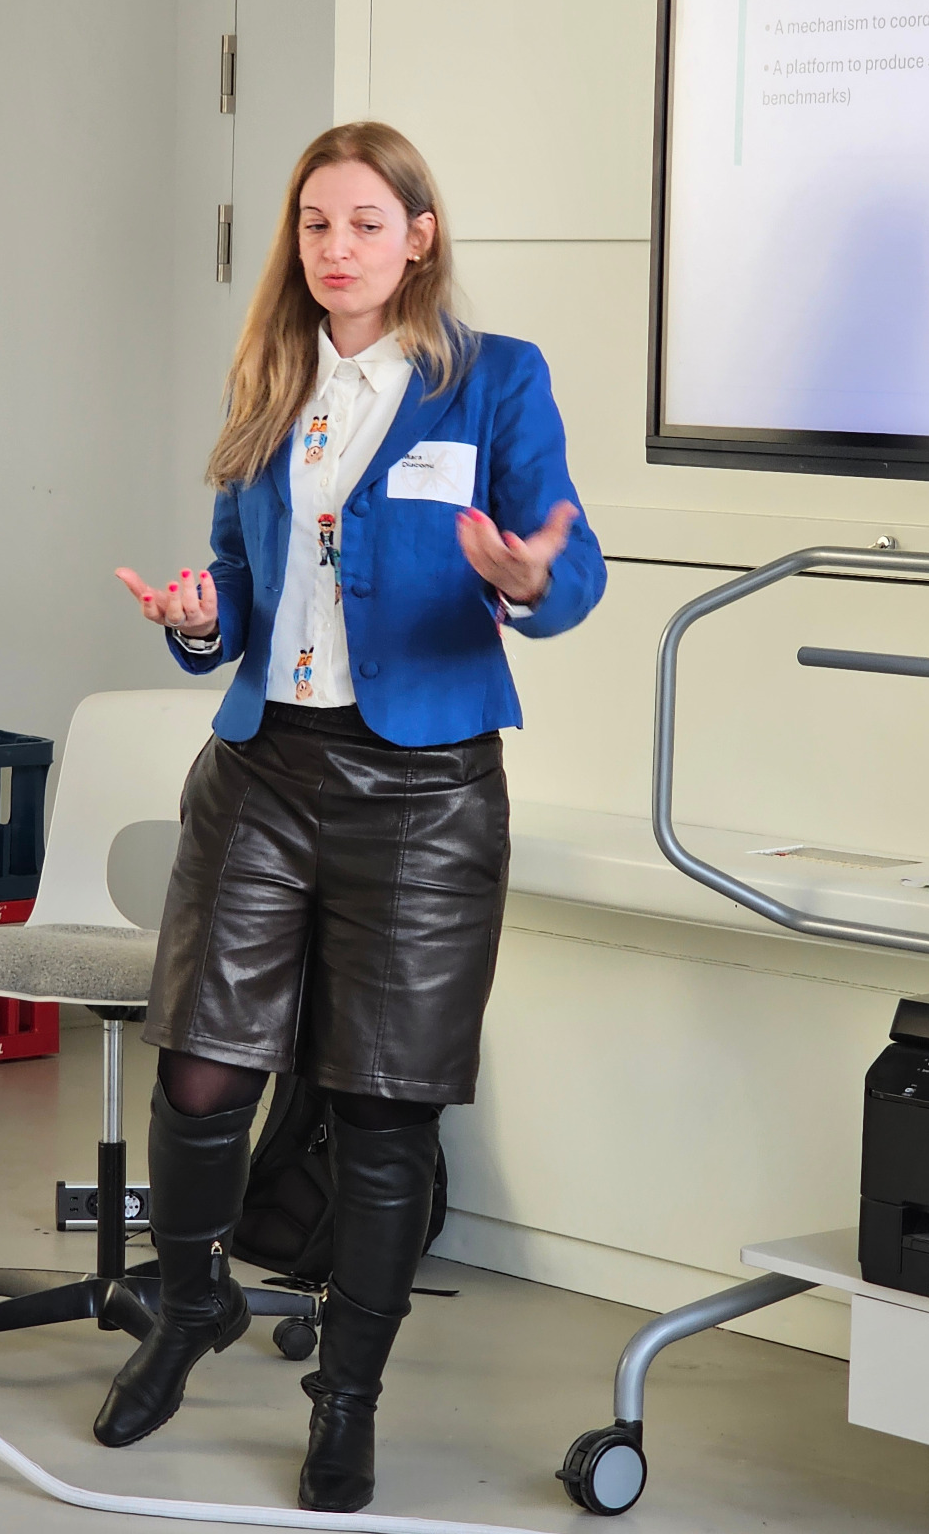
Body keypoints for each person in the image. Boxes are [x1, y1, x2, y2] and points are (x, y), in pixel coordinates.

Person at [100, 121, 607, 1512]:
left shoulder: (494, 379)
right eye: (316, 224)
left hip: (426, 794)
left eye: (367, 224)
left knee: (384, 1112)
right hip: (264, 772)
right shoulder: (271, 374)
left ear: (419, 236)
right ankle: (193, 1304)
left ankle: (349, 1396)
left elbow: (571, 569)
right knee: (203, 1073)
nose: (337, 249)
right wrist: (198, 620)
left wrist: (523, 580)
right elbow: (234, 584)